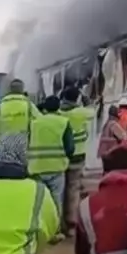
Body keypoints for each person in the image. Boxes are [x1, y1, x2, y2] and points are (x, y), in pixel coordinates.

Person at [28, 95, 76, 234]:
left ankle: (38, 229)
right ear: (58, 107)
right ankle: (55, 230)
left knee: (39, 200)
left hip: (36, 167)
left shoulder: (34, 122)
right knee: (56, 200)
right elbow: (70, 148)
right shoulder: (63, 122)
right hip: (56, 167)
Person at [60, 87, 96, 235]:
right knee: (73, 189)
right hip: (78, 155)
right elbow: (93, 112)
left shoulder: (59, 112)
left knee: (59, 189)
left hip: (60, 156)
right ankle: (71, 223)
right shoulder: (80, 112)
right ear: (76, 99)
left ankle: (57, 223)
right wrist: (87, 100)